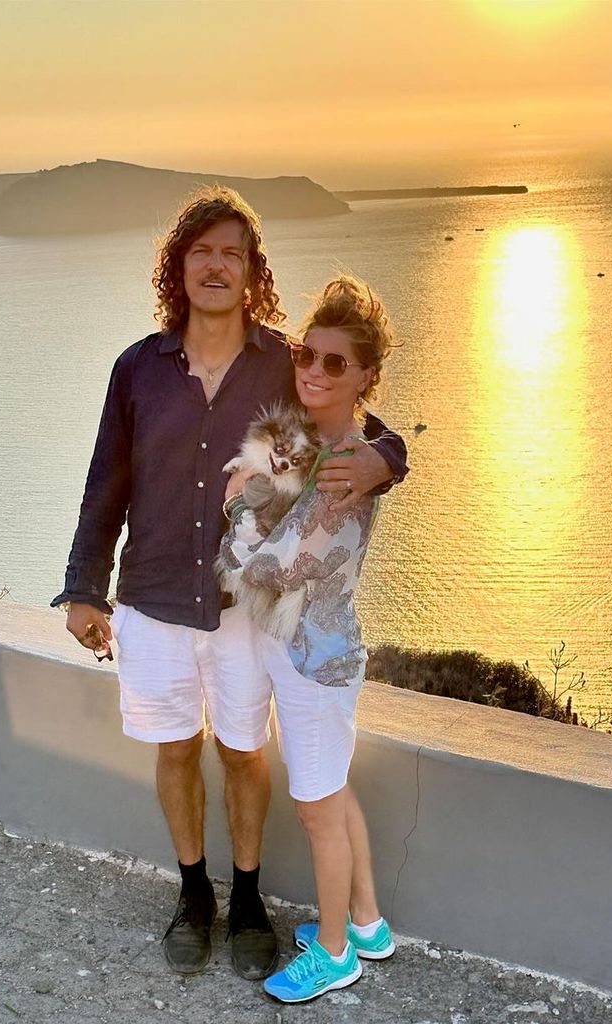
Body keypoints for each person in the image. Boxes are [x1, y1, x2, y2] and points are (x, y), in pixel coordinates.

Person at [51, 186, 408, 981]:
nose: (216, 265)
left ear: (253, 273)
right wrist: (84, 588)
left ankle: (246, 895)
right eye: (201, 250)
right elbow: (104, 484)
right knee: (176, 749)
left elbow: (350, 409)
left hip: (245, 611)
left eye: (233, 253)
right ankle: (193, 894)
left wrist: (389, 458)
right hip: (151, 596)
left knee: (246, 753)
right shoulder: (137, 369)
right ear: (179, 266)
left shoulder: (284, 360)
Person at [219, 276, 397, 1003]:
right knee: (332, 788)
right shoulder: (299, 438)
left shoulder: (352, 467)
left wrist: (239, 529)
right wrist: (245, 509)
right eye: (307, 356)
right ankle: (366, 924)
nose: (315, 372)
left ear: (364, 377)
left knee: (317, 805)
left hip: (314, 664)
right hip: (294, 649)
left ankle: (332, 953)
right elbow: (245, 484)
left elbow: (278, 563)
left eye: (334, 363)